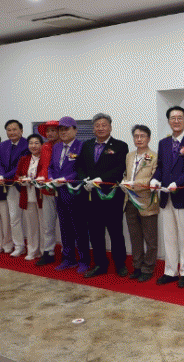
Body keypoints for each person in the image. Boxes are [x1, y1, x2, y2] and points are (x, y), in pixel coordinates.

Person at [150, 106, 184, 288]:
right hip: (166, 196)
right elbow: (160, 167)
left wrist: (177, 183)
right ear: (168, 121)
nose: (176, 121)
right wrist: (155, 179)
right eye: (173, 118)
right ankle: (170, 271)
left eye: (180, 117)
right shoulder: (163, 143)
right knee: (169, 237)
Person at [76, 113, 128, 278]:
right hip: (91, 197)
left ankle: (120, 264)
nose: (100, 128)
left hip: (112, 196)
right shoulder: (86, 145)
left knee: (116, 232)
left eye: (104, 125)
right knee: (95, 232)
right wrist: (84, 179)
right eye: (97, 125)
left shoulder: (120, 146)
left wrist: (101, 179)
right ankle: (100, 264)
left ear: (110, 127)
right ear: (93, 128)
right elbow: (80, 165)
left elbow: (120, 168)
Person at [43, 116, 90, 272]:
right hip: (59, 193)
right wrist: (51, 178)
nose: (63, 132)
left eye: (66, 129)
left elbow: (81, 169)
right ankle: (68, 259)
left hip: (76, 194)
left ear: (75, 130)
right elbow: (51, 166)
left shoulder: (81, 146)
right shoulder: (56, 147)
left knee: (79, 229)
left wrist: (65, 179)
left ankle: (84, 260)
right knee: (64, 228)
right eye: (61, 129)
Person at [123, 125, 159, 282]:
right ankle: (137, 266)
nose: (139, 139)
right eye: (136, 136)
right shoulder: (129, 156)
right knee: (135, 237)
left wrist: (134, 183)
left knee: (150, 238)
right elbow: (126, 174)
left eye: (142, 136)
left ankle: (148, 268)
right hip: (129, 201)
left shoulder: (154, 156)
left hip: (146, 201)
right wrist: (124, 182)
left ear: (148, 138)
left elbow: (153, 178)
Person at [0, 120, 29, 257]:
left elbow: (20, 166)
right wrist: (1, 175)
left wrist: (5, 176)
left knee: (30, 219)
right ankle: (19, 246)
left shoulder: (27, 144)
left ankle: (34, 247)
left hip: (25, 186)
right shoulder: (3, 145)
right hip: (10, 186)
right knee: (14, 218)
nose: (12, 132)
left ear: (21, 130)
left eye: (15, 129)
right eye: (9, 130)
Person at [14, 134, 45, 261]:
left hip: (42, 196)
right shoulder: (24, 159)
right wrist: (21, 179)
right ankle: (32, 250)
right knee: (31, 226)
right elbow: (17, 175)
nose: (33, 145)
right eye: (31, 143)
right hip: (27, 196)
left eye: (36, 143)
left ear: (42, 145)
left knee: (44, 226)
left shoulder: (45, 158)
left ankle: (44, 251)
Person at [36, 120, 60, 262]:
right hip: (46, 190)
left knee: (65, 225)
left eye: (53, 130)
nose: (49, 133)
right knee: (48, 224)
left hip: (62, 190)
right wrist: (40, 178)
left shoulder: (64, 146)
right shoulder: (44, 147)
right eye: (48, 131)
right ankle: (48, 252)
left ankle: (66, 252)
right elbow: (43, 167)